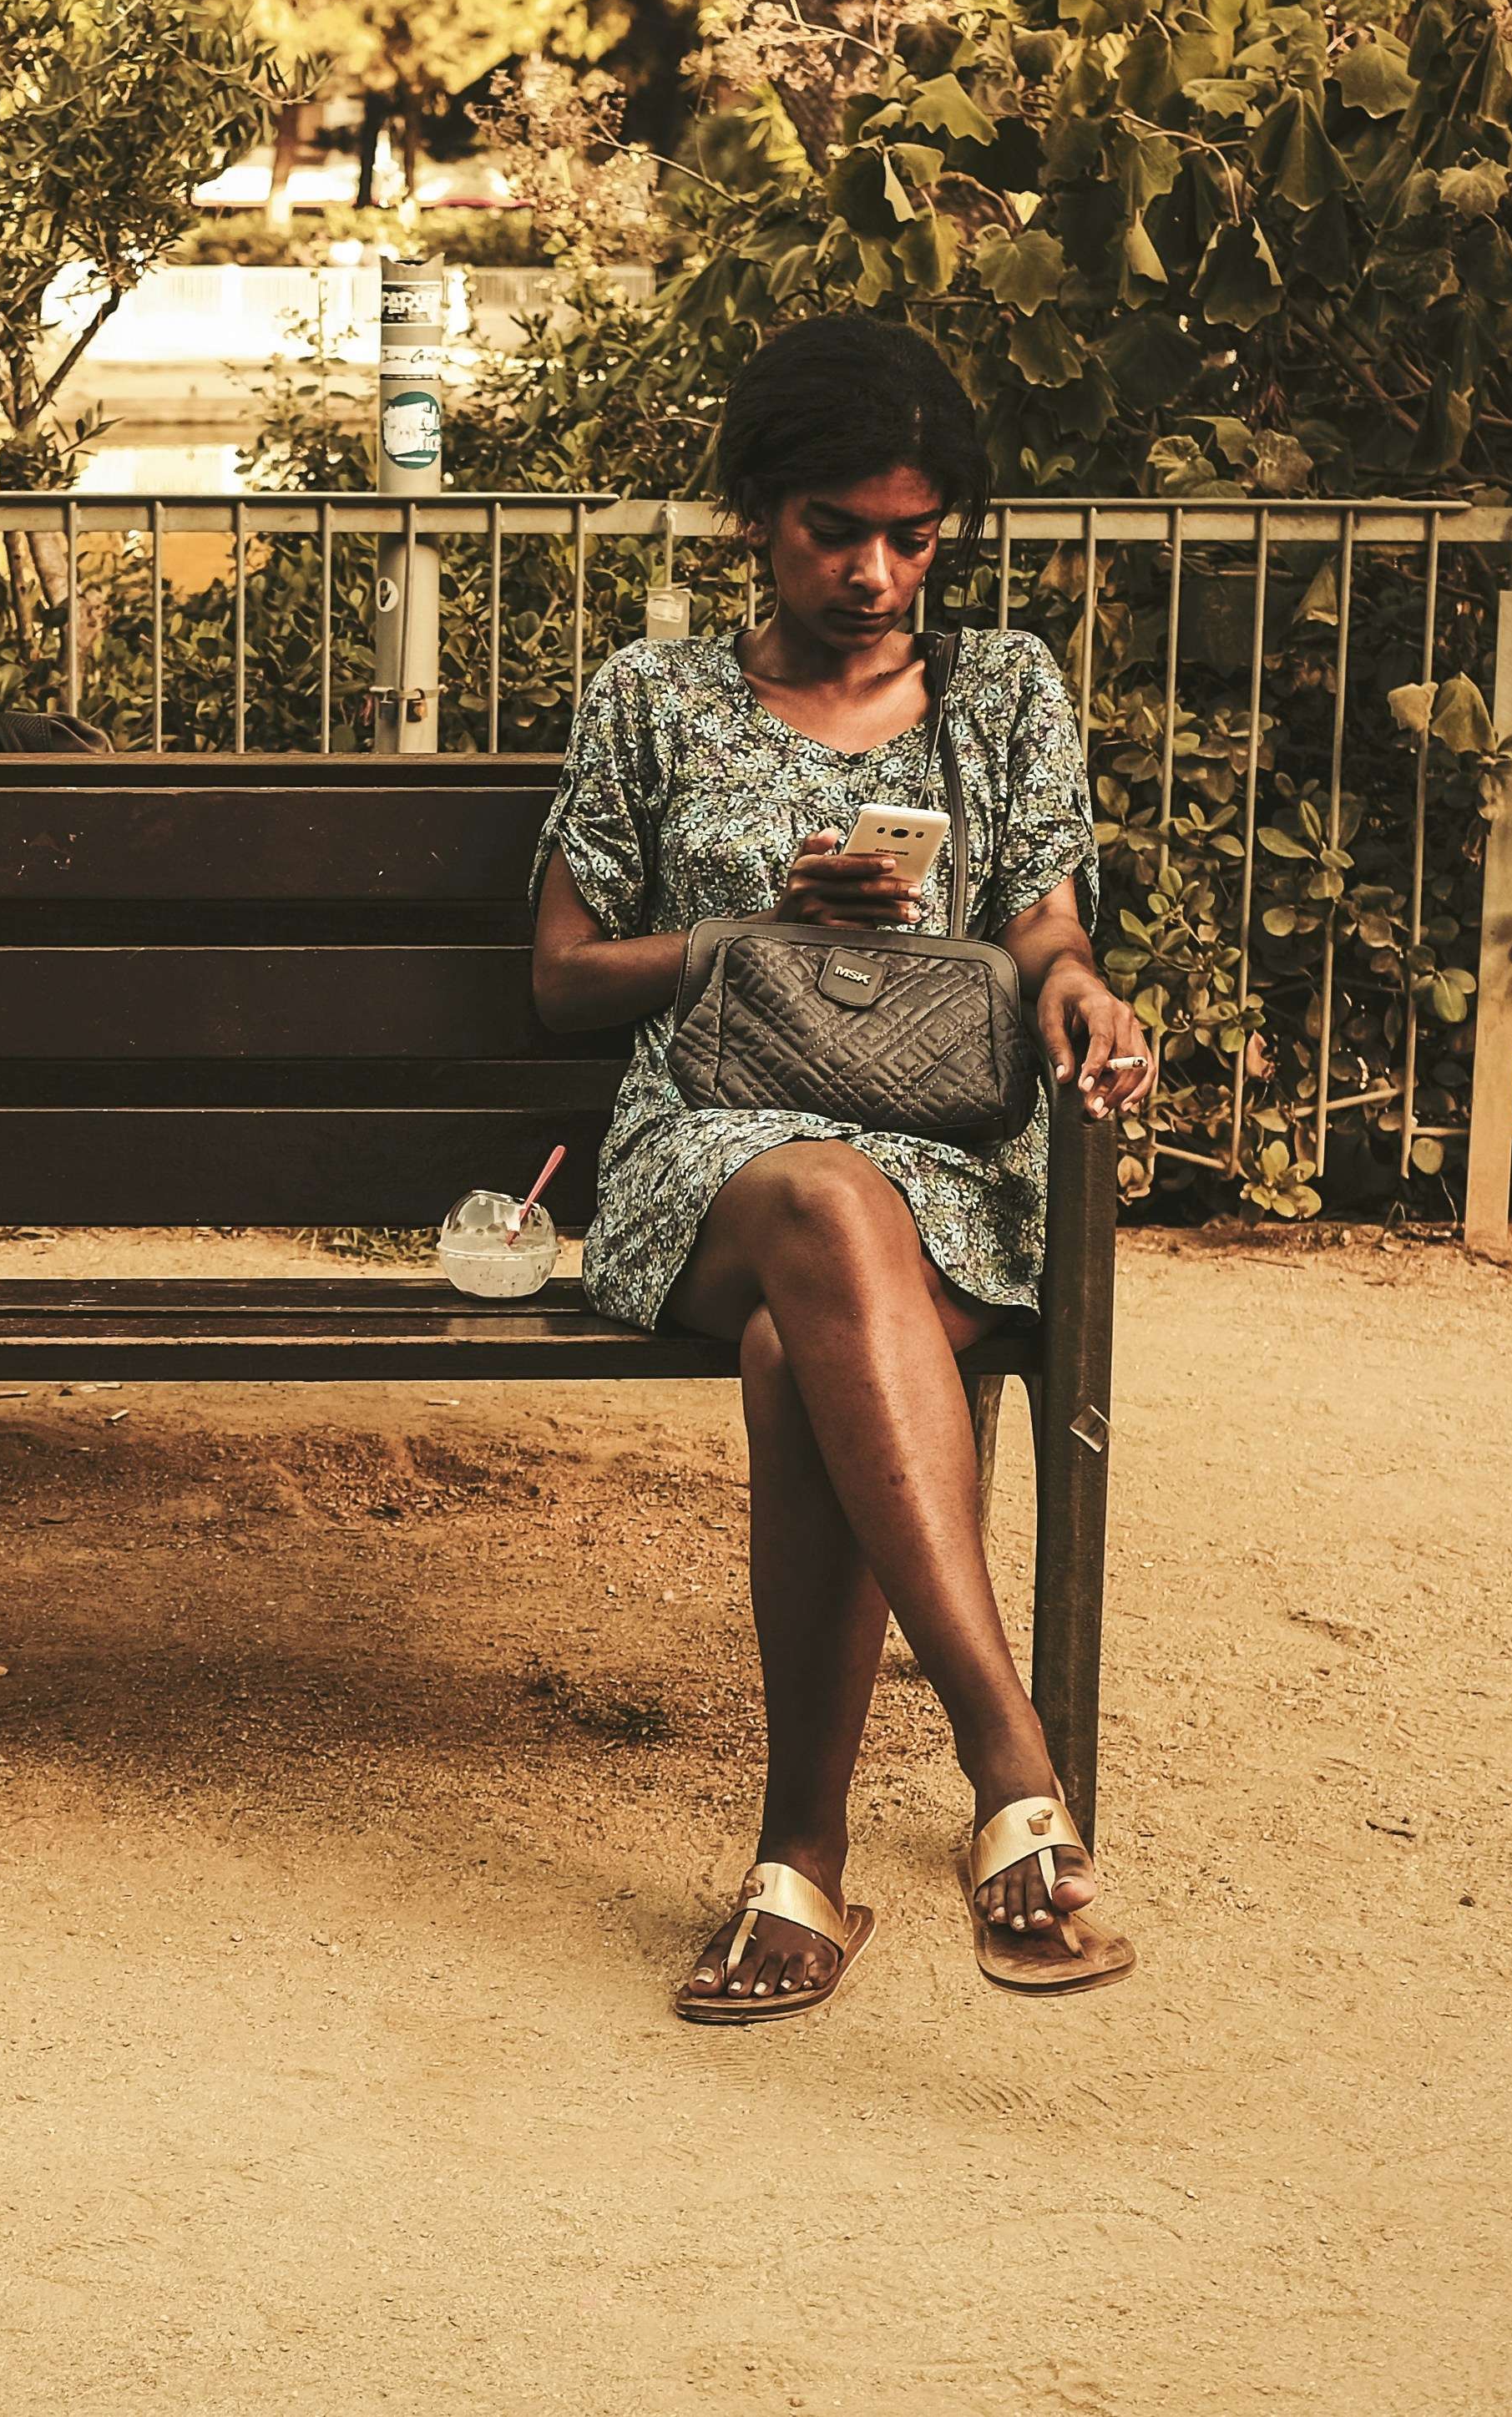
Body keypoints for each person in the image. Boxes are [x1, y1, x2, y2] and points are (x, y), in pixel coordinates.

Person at [528, 314, 1158, 2024]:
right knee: (814, 1200)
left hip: (939, 1151)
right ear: (752, 511)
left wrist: (1079, 983)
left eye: (912, 534)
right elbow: (562, 971)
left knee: (790, 1346)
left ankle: (796, 1868)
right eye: (835, 529)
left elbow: (1040, 920)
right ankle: (1006, 1764)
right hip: (717, 1149)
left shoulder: (1003, 689)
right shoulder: (650, 699)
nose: (877, 571)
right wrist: (744, 930)